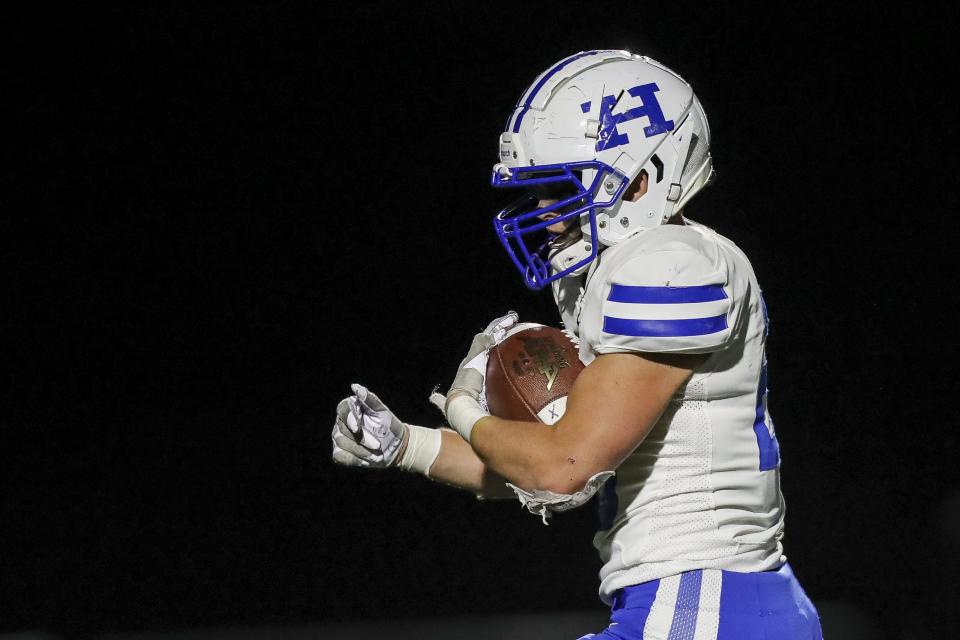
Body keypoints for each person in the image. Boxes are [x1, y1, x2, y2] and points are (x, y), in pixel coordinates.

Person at [331, 50, 823, 639]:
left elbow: (561, 469)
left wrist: (460, 406)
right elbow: (552, 463)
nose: (544, 213)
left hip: (703, 602)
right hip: (707, 602)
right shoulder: (640, 268)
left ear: (641, 180)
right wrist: (405, 445)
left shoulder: (671, 263)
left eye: (560, 189)